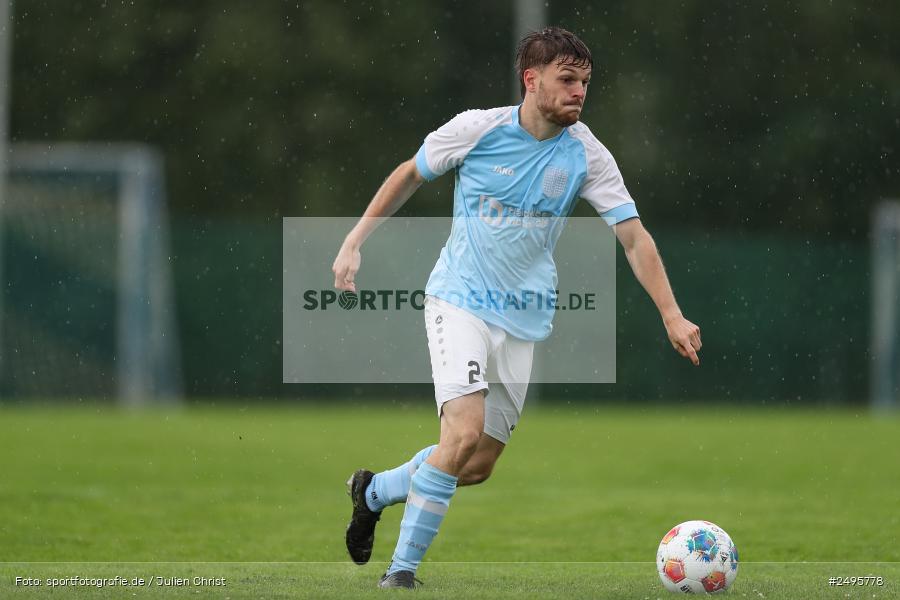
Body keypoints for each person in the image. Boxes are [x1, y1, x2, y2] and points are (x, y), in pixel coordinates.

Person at [331, 26, 702, 589]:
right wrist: (355, 239)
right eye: (566, 80)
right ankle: (401, 575)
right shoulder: (477, 129)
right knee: (460, 436)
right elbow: (410, 172)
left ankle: (374, 490)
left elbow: (633, 237)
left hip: (524, 317)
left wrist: (671, 314)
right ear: (531, 80)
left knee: (474, 465)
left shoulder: (586, 155)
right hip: (458, 300)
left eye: (585, 81)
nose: (579, 92)